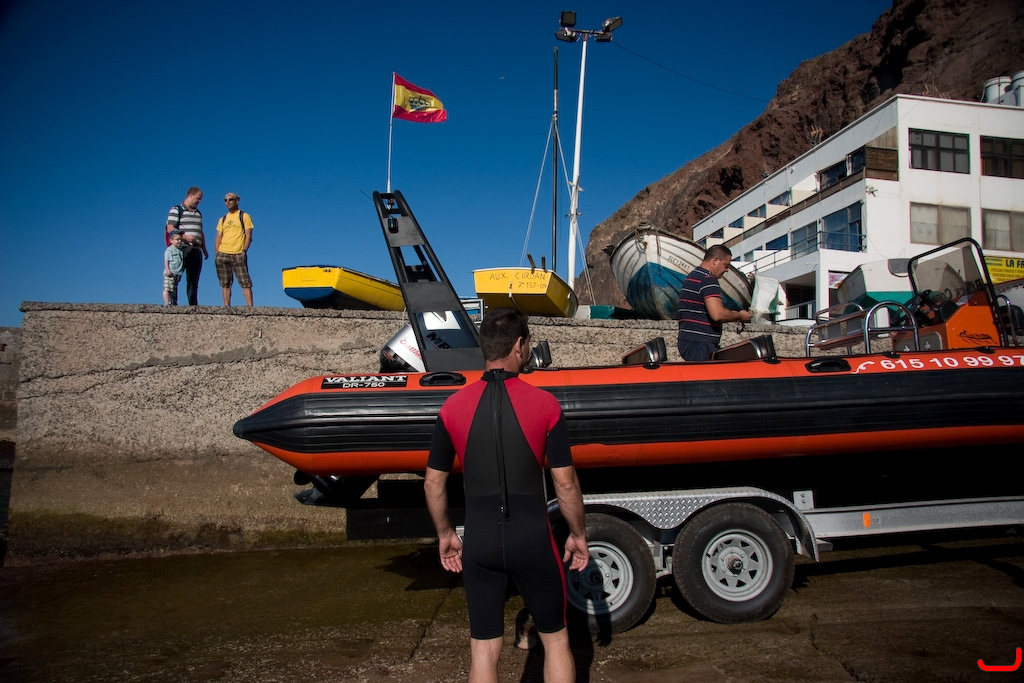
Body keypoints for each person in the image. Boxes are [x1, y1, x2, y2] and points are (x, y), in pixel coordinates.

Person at [424, 307, 589, 683]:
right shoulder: (546, 404)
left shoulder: (451, 408)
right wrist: (578, 534)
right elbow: (565, 483)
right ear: (519, 345)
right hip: (533, 539)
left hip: (480, 541)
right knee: (556, 640)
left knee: (483, 649)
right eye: (527, 343)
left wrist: (446, 534)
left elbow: (433, 483)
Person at [677, 244, 754, 361]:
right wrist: (740, 316)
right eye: (726, 265)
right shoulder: (708, 279)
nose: (726, 270)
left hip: (688, 341)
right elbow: (718, 314)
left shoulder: (691, 277)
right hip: (701, 344)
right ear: (715, 261)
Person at [165, 187, 207, 306]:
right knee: (175, 277)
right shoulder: (177, 210)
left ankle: (193, 305)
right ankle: (172, 304)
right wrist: (185, 237)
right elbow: (170, 228)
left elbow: (200, 231)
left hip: (196, 250)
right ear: (191, 196)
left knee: (193, 280)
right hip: (180, 249)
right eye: (198, 198)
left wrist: (204, 248)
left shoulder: (198, 213)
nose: (199, 201)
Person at [214, 192, 255, 306]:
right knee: (225, 283)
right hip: (223, 253)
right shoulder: (223, 219)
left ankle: (250, 307)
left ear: (237, 200)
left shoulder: (244, 216)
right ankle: (226, 307)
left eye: (230, 199)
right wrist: (217, 253)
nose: (228, 202)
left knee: (245, 282)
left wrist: (244, 251)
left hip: (238, 253)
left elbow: (248, 235)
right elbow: (218, 237)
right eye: (225, 200)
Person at [162, 229, 187, 306]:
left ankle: (171, 302)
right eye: (177, 239)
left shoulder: (179, 250)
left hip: (177, 272)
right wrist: (167, 270)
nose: (179, 241)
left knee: (173, 288)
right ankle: (167, 302)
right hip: (170, 272)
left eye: (180, 240)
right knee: (167, 288)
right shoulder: (169, 250)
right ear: (171, 240)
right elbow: (166, 260)